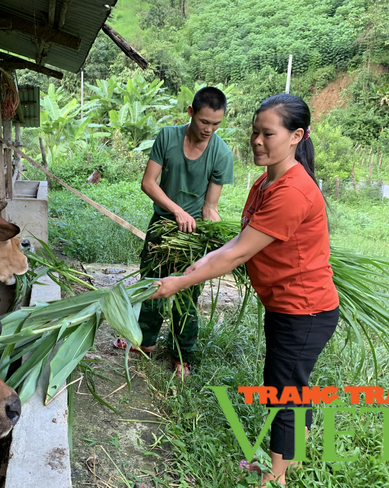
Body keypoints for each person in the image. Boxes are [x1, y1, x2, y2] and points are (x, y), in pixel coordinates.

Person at [151, 93, 339, 487]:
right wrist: (197, 265)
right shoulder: (266, 181)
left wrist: (180, 283)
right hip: (289, 306)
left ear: (296, 136)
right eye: (254, 132)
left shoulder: (292, 191)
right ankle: (294, 461)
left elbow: (236, 254)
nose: (256, 140)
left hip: (303, 310)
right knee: (293, 384)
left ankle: (275, 476)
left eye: (267, 134)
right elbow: (234, 244)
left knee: (282, 392)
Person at [113, 87, 234, 379]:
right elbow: (149, 183)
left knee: (187, 293)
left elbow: (210, 205)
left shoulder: (221, 154)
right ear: (191, 113)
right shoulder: (167, 137)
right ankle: (146, 342)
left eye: (216, 124)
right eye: (204, 121)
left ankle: (183, 355)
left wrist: (213, 234)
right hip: (162, 225)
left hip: (191, 236)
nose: (209, 129)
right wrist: (177, 210)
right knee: (152, 285)